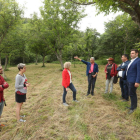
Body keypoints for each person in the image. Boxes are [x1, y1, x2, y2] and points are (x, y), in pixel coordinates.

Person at [126, 49, 140, 114]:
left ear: (137, 54)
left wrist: (137, 81)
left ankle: (133, 108)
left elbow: (139, 72)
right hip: (129, 80)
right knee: (131, 94)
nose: (131, 54)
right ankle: (132, 106)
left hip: (133, 80)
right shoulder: (131, 61)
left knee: (132, 94)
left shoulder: (138, 61)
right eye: (130, 53)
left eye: (133, 53)